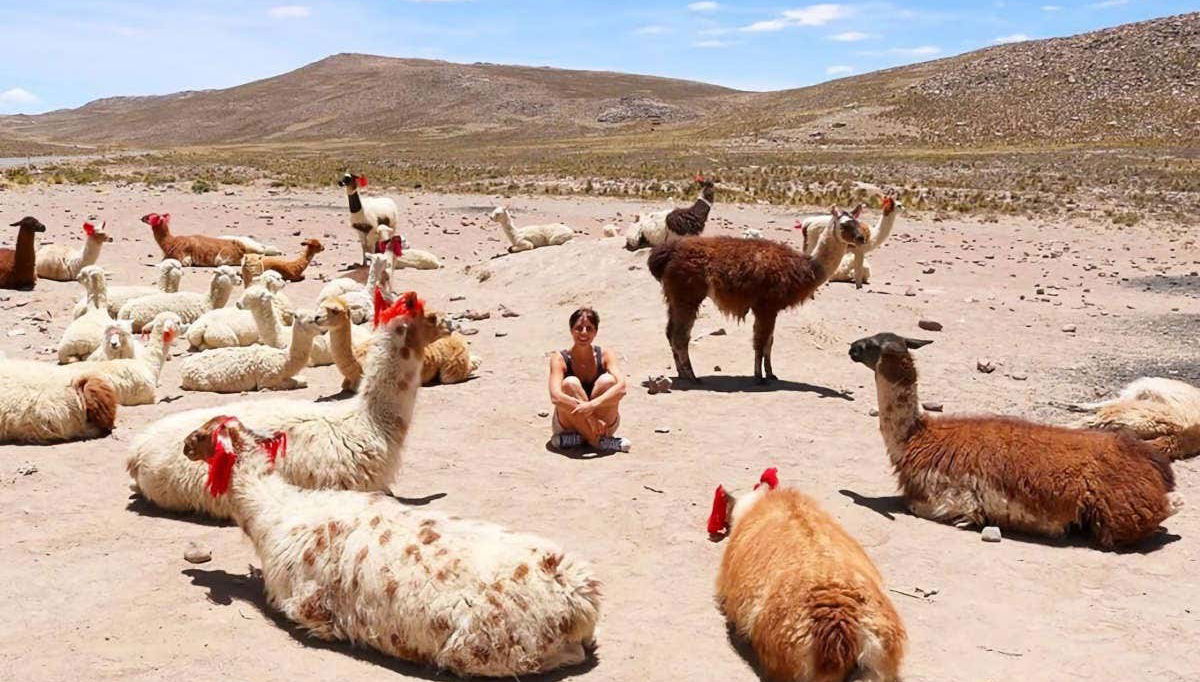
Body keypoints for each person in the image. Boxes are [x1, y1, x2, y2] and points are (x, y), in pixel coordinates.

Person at [548, 307, 629, 452]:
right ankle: (598, 442)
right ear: (571, 330)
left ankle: (580, 439)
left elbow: (621, 388)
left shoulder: (605, 355)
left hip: (603, 423)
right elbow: (556, 397)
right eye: (579, 328)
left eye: (589, 328)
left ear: (595, 332)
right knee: (569, 384)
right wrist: (590, 417)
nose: (584, 333)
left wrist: (591, 406)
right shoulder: (559, 358)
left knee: (609, 382)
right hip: (570, 423)